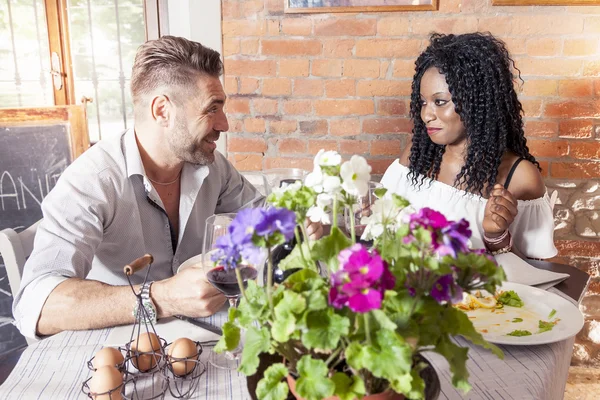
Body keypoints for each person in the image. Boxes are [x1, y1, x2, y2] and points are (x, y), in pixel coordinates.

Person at [13, 36, 322, 339]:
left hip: (204, 338)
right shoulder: (92, 180)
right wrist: (161, 298)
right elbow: (37, 305)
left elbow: (262, 217)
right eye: (212, 108)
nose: (224, 124)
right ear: (162, 110)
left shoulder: (212, 166)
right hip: (119, 347)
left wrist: (302, 218)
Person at [381, 32, 557, 260]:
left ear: (478, 100)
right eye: (422, 102)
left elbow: (537, 276)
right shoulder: (417, 153)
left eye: (440, 102)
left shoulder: (520, 177)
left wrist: (496, 237)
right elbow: (382, 228)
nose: (426, 114)